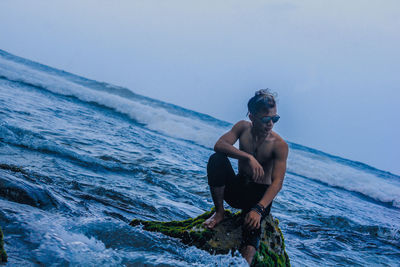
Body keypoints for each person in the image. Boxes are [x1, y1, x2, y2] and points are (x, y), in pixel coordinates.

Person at [203, 89, 289, 265]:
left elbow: (278, 182)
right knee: (217, 160)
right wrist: (247, 157)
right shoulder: (242, 128)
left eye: (275, 118)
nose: (271, 124)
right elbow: (219, 145)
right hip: (238, 188)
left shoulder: (279, 145)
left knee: (250, 236)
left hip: (259, 197)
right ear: (252, 117)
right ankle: (219, 213)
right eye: (266, 119)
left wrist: (258, 210)